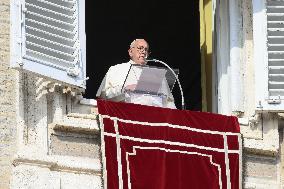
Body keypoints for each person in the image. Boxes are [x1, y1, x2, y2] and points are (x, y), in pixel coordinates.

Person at [96, 39, 176, 109]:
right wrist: (124, 89)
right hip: (126, 117)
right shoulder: (116, 69)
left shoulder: (157, 75)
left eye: (146, 49)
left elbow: (169, 102)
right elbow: (103, 96)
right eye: (140, 48)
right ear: (131, 52)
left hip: (154, 119)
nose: (144, 51)